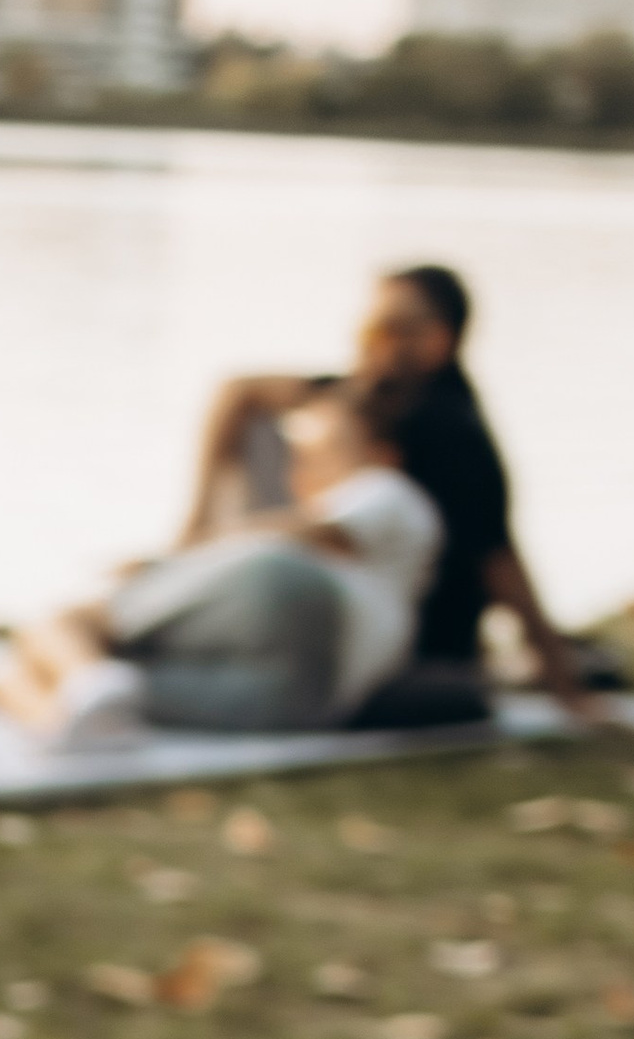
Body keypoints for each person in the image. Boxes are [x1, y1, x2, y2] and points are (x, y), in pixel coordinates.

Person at [182, 263, 597, 722]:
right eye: (365, 327)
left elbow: (498, 560)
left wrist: (564, 685)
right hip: (328, 604)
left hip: (402, 648)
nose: (367, 342)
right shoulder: (365, 397)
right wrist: (192, 526)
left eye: (385, 329)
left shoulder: (454, 433)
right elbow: (237, 391)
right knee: (262, 425)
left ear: (436, 340)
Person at [0, 375, 443, 743]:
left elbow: (308, 531)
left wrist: (173, 561)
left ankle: (81, 678)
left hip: (292, 595)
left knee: (70, 621)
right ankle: (74, 713)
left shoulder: (389, 491)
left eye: (323, 452)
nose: (303, 471)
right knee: (64, 682)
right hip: (311, 704)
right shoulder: (388, 559)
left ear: (382, 454)